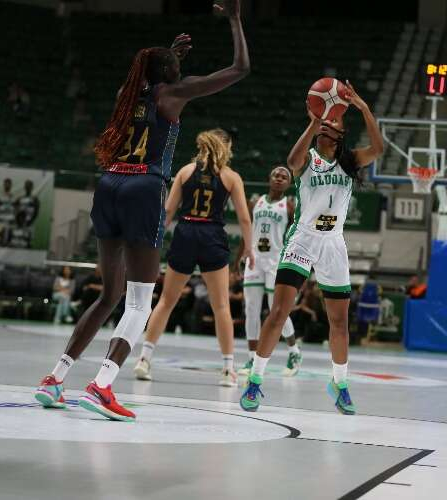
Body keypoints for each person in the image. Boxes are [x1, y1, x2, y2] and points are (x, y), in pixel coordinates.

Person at [34, 0, 250, 422]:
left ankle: (56, 378)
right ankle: (103, 385)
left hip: (110, 182)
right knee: (139, 303)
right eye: (172, 64)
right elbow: (239, 69)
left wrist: (166, 57)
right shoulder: (174, 92)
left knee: (107, 294)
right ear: (168, 74)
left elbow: (148, 74)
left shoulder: (128, 92)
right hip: (143, 187)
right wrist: (236, 20)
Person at [239, 81, 384, 415]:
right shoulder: (309, 161)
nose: (326, 127)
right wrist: (312, 121)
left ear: (341, 131)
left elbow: (378, 148)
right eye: (324, 124)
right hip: (302, 239)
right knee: (278, 311)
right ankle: (255, 380)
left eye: (332, 123)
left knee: (339, 322)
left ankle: (340, 383)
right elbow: (292, 160)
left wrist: (363, 108)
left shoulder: (349, 163)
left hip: (333, 244)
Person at [133, 128, 253, 386]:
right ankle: (228, 369)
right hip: (212, 235)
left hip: (186, 231)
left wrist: (152, 240)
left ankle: (144, 359)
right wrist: (250, 249)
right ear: (226, 147)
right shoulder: (231, 176)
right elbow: (244, 218)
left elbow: (167, 212)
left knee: (166, 301)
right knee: (221, 306)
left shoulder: (186, 172)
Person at [237, 166, 301, 377]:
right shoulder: (255, 203)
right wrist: (238, 259)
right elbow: (247, 231)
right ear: (269, 178)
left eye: (284, 177)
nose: (280, 179)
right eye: (276, 175)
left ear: (288, 183)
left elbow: (296, 235)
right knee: (252, 310)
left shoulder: (289, 206)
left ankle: (293, 351)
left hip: (277, 262)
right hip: (255, 260)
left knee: (277, 309)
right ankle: (251, 358)